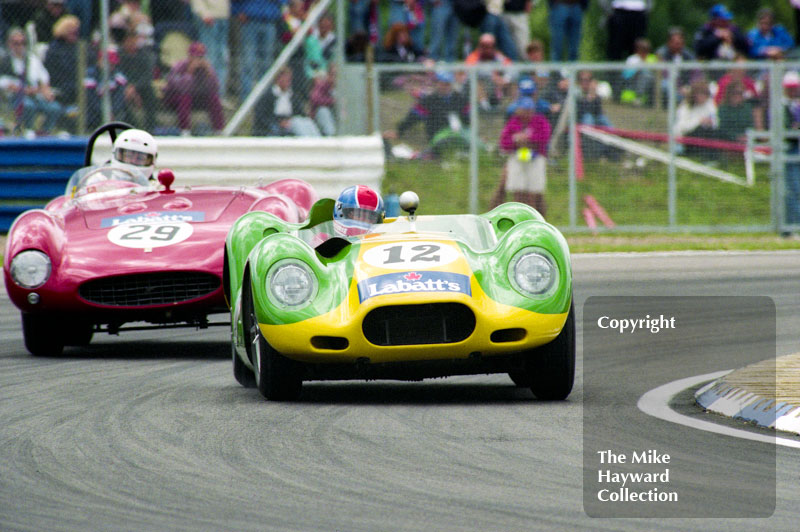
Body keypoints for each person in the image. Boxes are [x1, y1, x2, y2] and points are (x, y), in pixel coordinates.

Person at [385, 70, 470, 156]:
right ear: (437, 84)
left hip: (459, 136)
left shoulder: (460, 99)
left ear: (451, 85)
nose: (444, 87)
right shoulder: (429, 101)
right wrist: (399, 131)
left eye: (447, 84)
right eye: (441, 83)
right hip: (437, 138)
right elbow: (413, 117)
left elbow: (468, 119)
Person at [0, 29, 64, 137]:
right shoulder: (5, 61)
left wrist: (45, 90)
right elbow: (4, 83)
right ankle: (27, 131)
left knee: (54, 108)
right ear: (9, 44)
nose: (19, 46)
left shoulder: (32, 59)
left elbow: (43, 77)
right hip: (14, 97)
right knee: (28, 105)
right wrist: (23, 90)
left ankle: (44, 132)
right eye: (16, 43)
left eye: (22, 43)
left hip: (35, 95)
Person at [498, 96, 551, 215]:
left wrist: (528, 139)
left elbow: (544, 138)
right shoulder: (513, 122)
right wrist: (515, 140)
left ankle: (536, 218)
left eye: (529, 110)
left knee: (535, 191)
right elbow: (504, 142)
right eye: (524, 110)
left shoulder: (540, 121)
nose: (527, 113)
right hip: (518, 157)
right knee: (518, 189)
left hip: (535, 157)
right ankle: (518, 216)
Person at [163, 41, 225, 136]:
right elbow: (181, 88)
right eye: (196, 56)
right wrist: (189, 73)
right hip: (175, 99)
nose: (199, 60)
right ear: (190, 56)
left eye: (201, 57)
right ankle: (185, 130)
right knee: (185, 97)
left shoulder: (206, 68)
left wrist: (210, 74)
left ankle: (219, 130)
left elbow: (215, 88)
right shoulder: (179, 66)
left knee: (214, 98)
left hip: (196, 97)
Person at [253, 66, 321, 136]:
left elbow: (300, 112)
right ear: (278, 79)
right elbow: (262, 116)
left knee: (307, 122)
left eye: (289, 79)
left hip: (291, 122)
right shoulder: (268, 96)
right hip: (275, 125)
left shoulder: (292, 95)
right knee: (297, 123)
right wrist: (279, 122)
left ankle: (318, 143)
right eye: (286, 78)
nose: (289, 81)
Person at [191, 0, 230, 99]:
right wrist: (204, 13)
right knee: (210, 58)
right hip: (208, 17)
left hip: (223, 17)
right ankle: (209, 97)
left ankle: (220, 96)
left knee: (222, 58)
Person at [465, 33, 512, 111]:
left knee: (512, 83)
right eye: (485, 46)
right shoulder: (473, 57)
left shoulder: (497, 56)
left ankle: (509, 109)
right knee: (476, 83)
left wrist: (505, 79)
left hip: (495, 87)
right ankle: (485, 108)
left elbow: (512, 68)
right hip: (475, 90)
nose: (488, 49)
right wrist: (493, 76)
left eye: (490, 46)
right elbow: (469, 73)